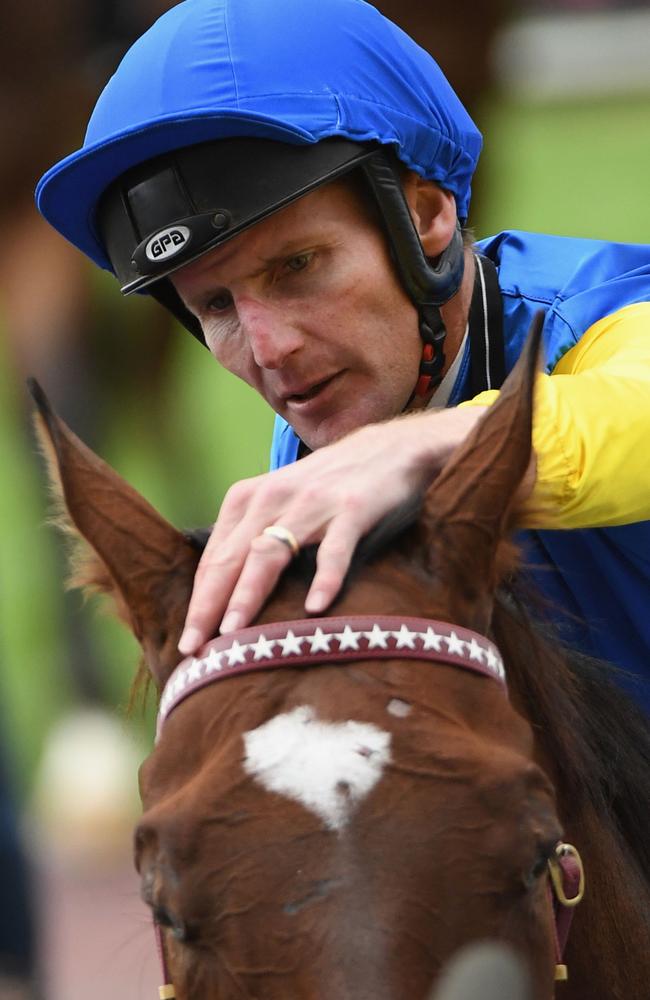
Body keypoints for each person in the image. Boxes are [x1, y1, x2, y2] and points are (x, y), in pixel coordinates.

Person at [36, 0, 650, 713]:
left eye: (297, 266)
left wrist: (417, 451)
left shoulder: (599, 311)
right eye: (216, 306)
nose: (270, 349)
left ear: (425, 215)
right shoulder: (325, 438)